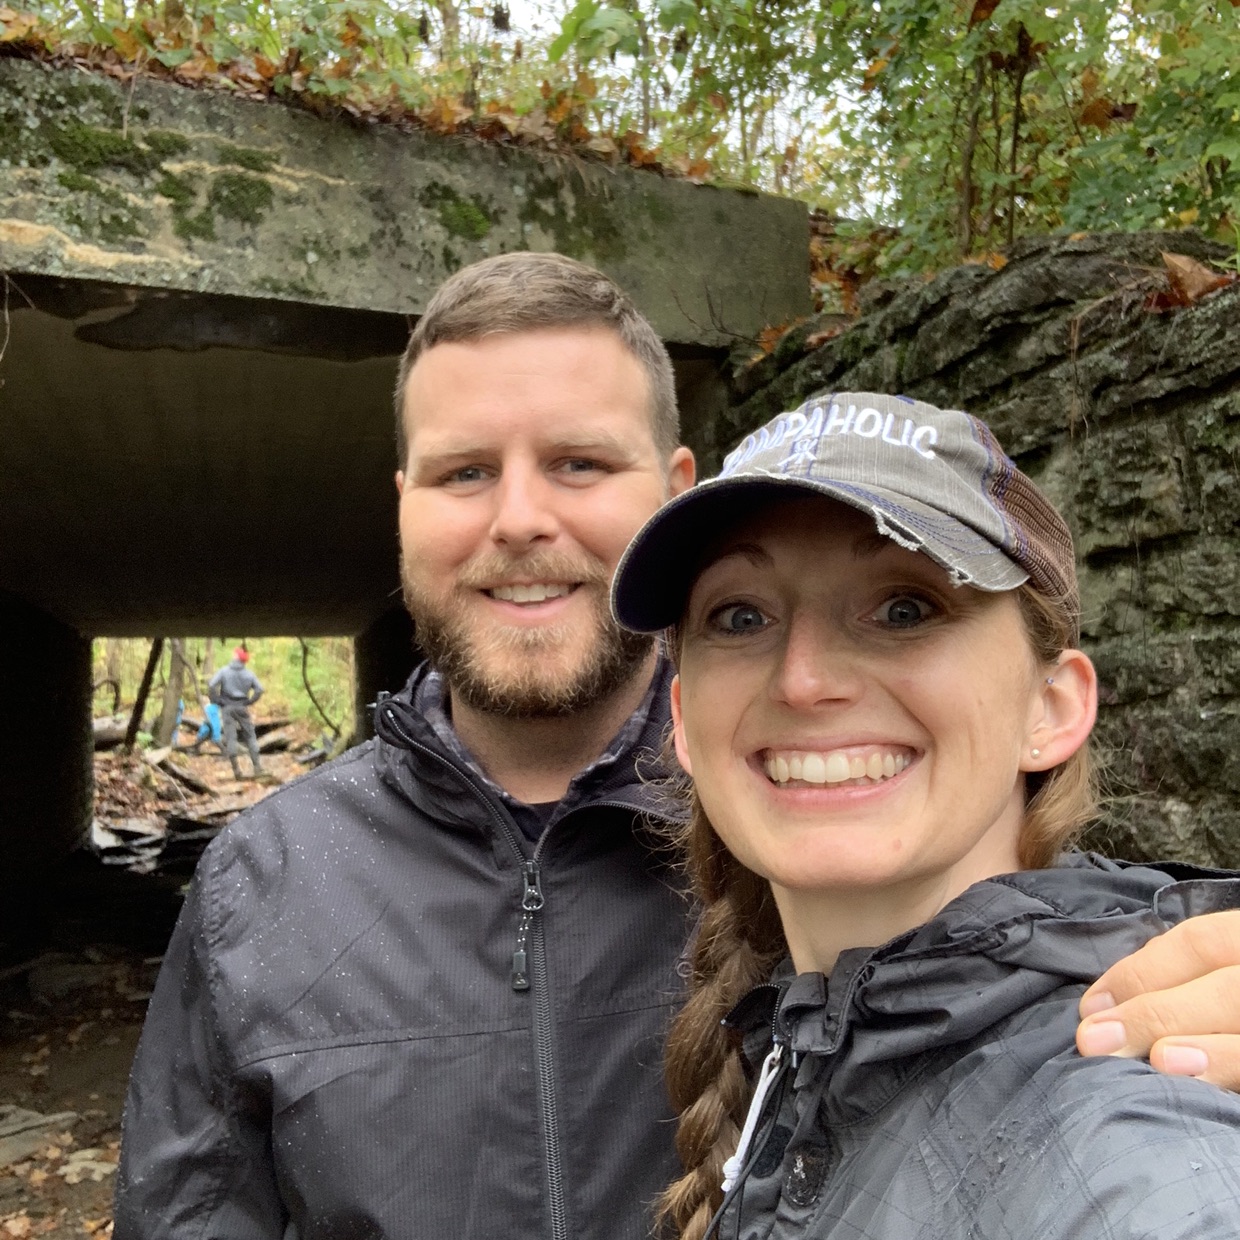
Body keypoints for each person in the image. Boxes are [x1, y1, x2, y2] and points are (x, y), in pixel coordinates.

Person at [115, 258, 1240, 1240]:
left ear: (674, 490)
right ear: (402, 507)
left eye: (579, 463)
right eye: (464, 473)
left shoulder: (837, 847)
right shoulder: (262, 885)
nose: (519, 518)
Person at [610, 391, 1240, 1240]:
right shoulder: (798, 1060)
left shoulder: (1135, 1139)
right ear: (684, 721)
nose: (803, 680)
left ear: (1051, 706)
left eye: (905, 608)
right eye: (741, 616)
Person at [208, 646, 264, 779]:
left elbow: (211, 685)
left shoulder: (224, 671)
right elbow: (259, 689)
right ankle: (257, 767)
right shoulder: (249, 674)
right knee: (250, 736)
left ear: (236, 657)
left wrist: (216, 700)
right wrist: (250, 701)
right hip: (242, 707)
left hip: (227, 707)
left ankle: (236, 770)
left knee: (231, 738)